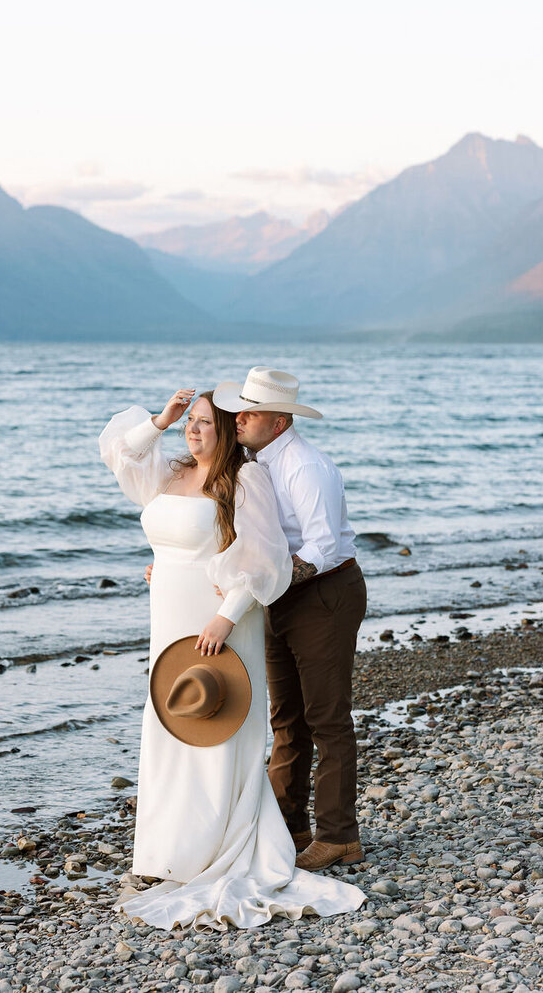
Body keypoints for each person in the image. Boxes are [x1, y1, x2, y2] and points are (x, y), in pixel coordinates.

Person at [100, 389, 365, 931]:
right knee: (173, 720)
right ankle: (167, 849)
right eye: (189, 422)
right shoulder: (171, 468)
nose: (192, 431)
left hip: (222, 613)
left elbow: (264, 557)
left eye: (204, 423)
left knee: (224, 723)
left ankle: (295, 836)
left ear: (232, 430)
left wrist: (227, 612)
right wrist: (160, 420)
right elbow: (120, 456)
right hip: (169, 614)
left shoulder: (247, 478)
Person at [213, 367, 367, 872]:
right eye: (239, 409)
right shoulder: (256, 462)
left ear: (278, 422)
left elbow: (322, 548)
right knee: (286, 720)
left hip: (325, 594)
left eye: (250, 412)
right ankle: (291, 827)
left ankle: (340, 835)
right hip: (283, 596)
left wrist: (267, 583)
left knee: (327, 719)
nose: (238, 418)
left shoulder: (304, 466)